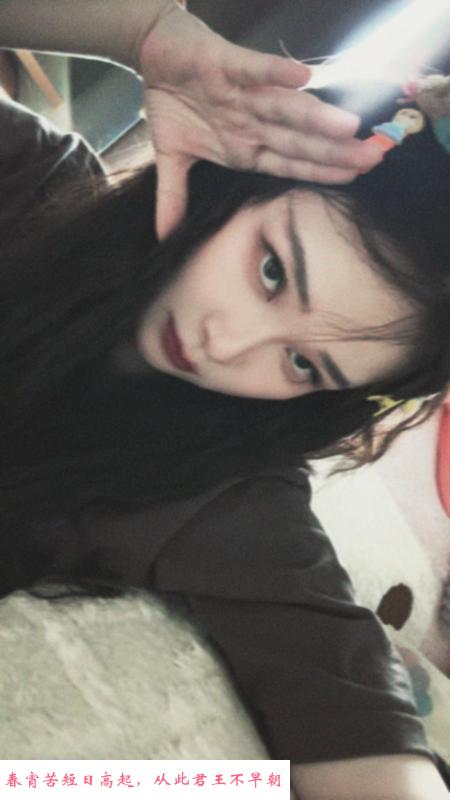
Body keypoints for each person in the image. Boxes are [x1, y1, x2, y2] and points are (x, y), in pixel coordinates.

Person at [1, 3, 450, 799]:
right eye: (272, 270)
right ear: (242, 177)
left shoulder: (220, 495)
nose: (228, 344)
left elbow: (367, 746)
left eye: (304, 363)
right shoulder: (32, 180)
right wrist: (144, 35)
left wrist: (53, 782)